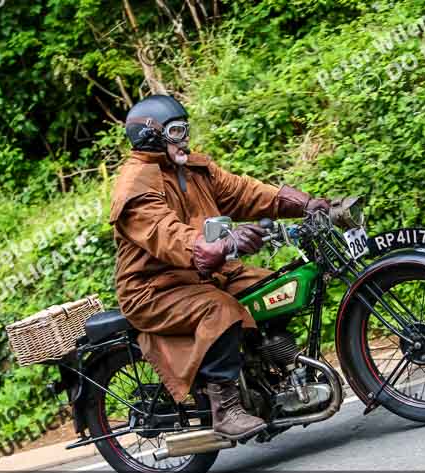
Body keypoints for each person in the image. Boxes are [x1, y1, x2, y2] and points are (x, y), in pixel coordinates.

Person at [110, 95, 329, 440]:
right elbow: (166, 233)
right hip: (154, 290)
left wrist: (309, 204)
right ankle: (226, 409)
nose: (185, 138)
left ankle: (267, 377)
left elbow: (245, 193)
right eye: (176, 131)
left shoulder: (192, 169)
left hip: (208, 275)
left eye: (184, 129)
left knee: (278, 287)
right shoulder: (135, 186)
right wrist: (222, 244)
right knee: (221, 311)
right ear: (152, 137)